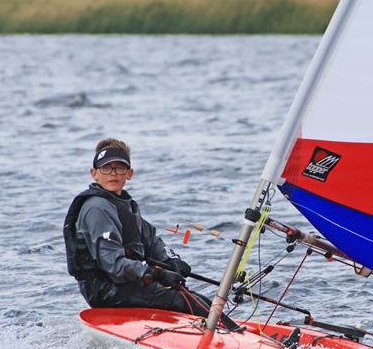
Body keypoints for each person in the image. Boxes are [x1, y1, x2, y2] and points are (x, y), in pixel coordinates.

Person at [64, 138, 241, 329]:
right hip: (104, 290)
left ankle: (233, 332)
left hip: (123, 284)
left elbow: (152, 240)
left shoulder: (124, 204)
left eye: (120, 168)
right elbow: (113, 264)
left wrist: (172, 262)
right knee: (186, 302)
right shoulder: (96, 208)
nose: (113, 173)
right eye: (106, 168)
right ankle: (226, 339)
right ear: (94, 173)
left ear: (129, 173)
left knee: (198, 299)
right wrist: (156, 274)